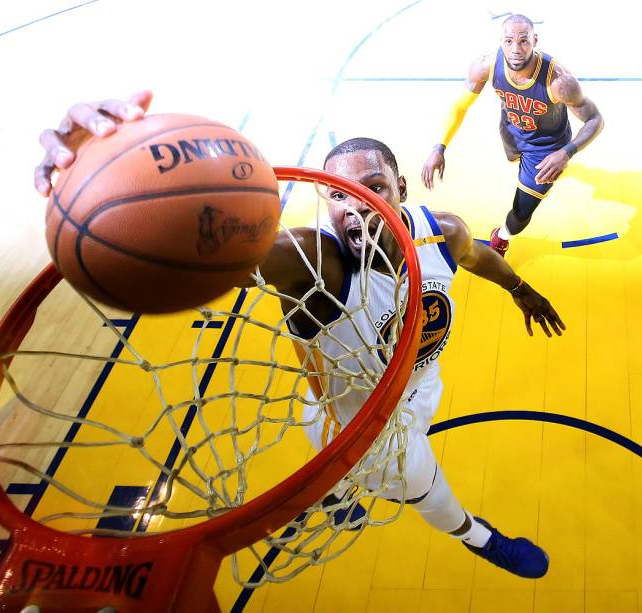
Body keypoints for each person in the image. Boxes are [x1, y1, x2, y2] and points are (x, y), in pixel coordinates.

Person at [33, 91, 566, 579]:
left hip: (406, 389)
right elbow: (226, 254)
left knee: (334, 462)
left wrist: (519, 288)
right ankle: (479, 537)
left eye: (374, 189)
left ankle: (336, 492)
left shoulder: (441, 231)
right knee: (427, 490)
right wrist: (112, 173)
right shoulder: (319, 264)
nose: (357, 208)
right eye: (342, 197)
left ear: (400, 189)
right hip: (368, 431)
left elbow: (475, 257)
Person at [421, 14, 604, 256]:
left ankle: (503, 236)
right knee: (512, 159)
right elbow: (460, 107)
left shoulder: (559, 81)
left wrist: (566, 152)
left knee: (520, 214)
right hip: (510, 129)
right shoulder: (485, 66)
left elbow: (596, 120)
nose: (516, 49)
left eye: (523, 41)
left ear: (535, 40)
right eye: (509, 41)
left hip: (546, 148)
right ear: (501, 41)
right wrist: (439, 147)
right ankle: (521, 163)